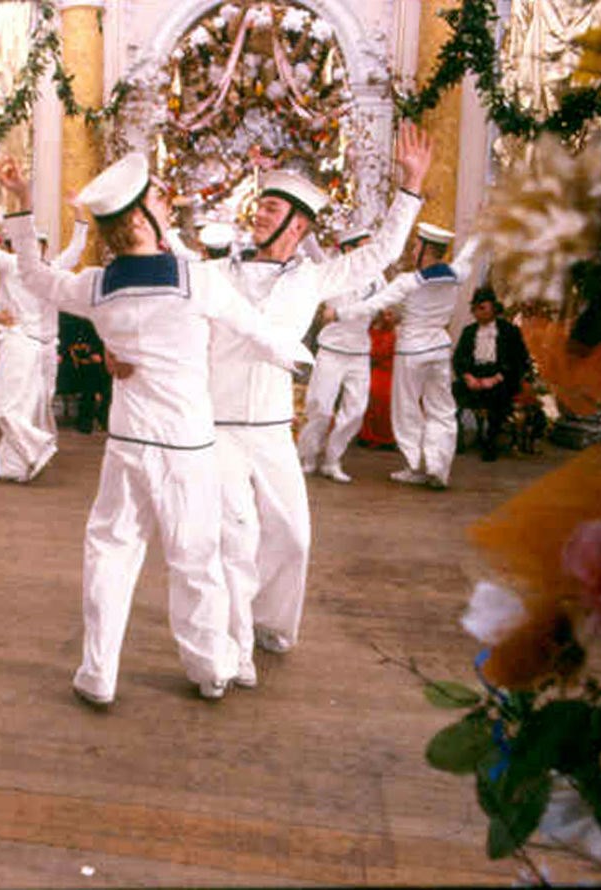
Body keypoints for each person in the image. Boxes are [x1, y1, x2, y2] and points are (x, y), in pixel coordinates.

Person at [0, 153, 314, 706]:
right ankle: (210, 667)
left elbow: (33, 275)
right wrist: (299, 361)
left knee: (111, 553)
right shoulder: (197, 281)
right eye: (159, 199)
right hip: (187, 448)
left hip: (126, 445)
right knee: (195, 561)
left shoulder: (97, 286)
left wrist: (22, 208)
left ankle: (98, 672)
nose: (167, 204)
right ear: (142, 220)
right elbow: (258, 331)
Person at [206, 121, 431, 671]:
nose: (257, 214)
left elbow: (380, 254)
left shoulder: (311, 280)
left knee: (294, 537)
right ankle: (231, 650)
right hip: (216, 430)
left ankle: (268, 624)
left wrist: (412, 188)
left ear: (296, 224)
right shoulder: (213, 272)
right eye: (258, 207)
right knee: (234, 539)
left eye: (269, 209)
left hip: (272, 430)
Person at [323, 222, 483, 490]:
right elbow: (469, 252)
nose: (413, 249)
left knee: (407, 410)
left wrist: (337, 314)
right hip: (440, 348)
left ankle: (417, 466)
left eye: (416, 246)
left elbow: (373, 304)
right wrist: (482, 227)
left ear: (426, 249)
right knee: (442, 408)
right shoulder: (458, 272)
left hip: (411, 350)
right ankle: (438, 467)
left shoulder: (407, 282)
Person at [0, 210, 88, 482]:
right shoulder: (14, 264)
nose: (33, 251)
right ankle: (14, 465)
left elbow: (76, 250)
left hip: (38, 347)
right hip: (21, 342)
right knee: (17, 408)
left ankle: (35, 449)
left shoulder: (49, 270)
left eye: (38, 246)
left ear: (44, 249)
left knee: (21, 408)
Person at [296, 227, 390, 482]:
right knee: (321, 408)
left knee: (356, 410)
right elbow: (311, 245)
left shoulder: (376, 277)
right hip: (331, 352)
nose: (370, 251)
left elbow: (384, 303)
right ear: (349, 249)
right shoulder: (333, 269)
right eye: (364, 245)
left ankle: (332, 459)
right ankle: (308, 457)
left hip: (359, 352)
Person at [452, 286, 530, 461]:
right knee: (453, 391)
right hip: (474, 375)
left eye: (483, 308)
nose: (478, 312)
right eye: (475, 309)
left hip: (500, 376)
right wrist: (468, 377)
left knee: (497, 396)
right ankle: (456, 439)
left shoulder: (509, 331)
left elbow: (519, 360)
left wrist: (496, 378)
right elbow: (458, 359)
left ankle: (491, 441)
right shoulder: (469, 331)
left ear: (494, 308)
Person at [358, 308, 399, 448]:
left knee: (384, 395)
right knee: (371, 391)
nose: (387, 318)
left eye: (390, 315)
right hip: (372, 369)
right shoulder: (371, 332)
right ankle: (367, 435)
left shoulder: (397, 335)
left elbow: (379, 353)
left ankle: (385, 438)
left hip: (390, 372)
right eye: (385, 314)